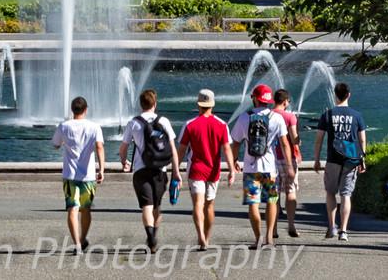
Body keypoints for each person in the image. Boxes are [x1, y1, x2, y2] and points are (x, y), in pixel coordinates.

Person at [229, 83, 292, 249]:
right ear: (269, 101)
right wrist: (289, 164)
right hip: (270, 169)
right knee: (272, 201)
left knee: (253, 204)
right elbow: (285, 144)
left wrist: (235, 159)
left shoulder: (244, 117)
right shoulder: (276, 118)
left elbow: (235, 143)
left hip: (251, 168)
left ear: (255, 99)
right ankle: (269, 237)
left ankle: (257, 238)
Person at [120, 88, 182, 249]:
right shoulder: (164, 121)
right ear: (155, 104)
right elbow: (173, 149)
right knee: (157, 206)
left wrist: (124, 162)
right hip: (160, 170)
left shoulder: (134, 123)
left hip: (141, 170)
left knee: (146, 206)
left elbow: (123, 148)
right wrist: (176, 172)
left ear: (141, 105)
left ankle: (150, 237)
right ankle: (154, 234)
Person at [178, 88, 236, 250]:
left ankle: (200, 236)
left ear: (198, 105)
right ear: (212, 104)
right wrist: (231, 170)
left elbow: (182, 150)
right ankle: (207, 238)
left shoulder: (190, 125)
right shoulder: (221, 125)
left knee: (197, 204)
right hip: (213, 170)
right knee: (209, 205)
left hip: (196, 168)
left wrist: (175, 170)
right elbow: (226, 149)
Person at [311, 81, 367, 241]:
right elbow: (362, 140)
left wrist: (316, 159)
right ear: (349, 95)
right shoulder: (357, 115)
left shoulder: (327, 115)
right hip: (351, 160)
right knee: (346, 194)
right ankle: (343, 230)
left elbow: (319, 139)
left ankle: (331, 227)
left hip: (332, 159)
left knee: (330, 193)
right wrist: (362, 159)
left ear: (335, 96)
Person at [52, 95, 106, 253]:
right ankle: (82, 239)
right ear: (86, 110)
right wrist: (102, 169)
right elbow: (100, 147)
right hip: (88, 176)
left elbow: (55, 144)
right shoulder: (94, 127)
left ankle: (77, 244)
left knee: (72, 209)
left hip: (70, 175)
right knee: (86, 209)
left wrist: (63, 142)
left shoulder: (64, 126)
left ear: (72, 110)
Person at [270, 88, 303, 239]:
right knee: (290, 191)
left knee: (273, 194)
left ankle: (273, 228)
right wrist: (299, 139)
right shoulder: (290, 117)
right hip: (288, 158)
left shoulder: (267, 115)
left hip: (270, 159)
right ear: (285, 102)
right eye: (288, 101)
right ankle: (291, 225)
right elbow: (294, 139)